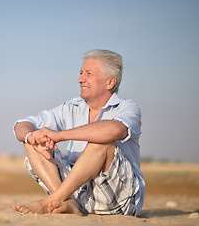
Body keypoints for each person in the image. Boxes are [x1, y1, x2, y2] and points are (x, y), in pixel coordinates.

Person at [12, 49, 145, 216]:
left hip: (120, 199)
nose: (80, 79)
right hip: (79, 195)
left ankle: (53, 200)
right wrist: (30, 136)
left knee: (102, 141)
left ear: (110, 82)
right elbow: (23, 124)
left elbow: (115, 130)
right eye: (81, 73)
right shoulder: (72, 107)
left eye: (88, 73)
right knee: (35, 140)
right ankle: (66, 202)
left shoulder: (127, 107)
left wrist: (59, 135)